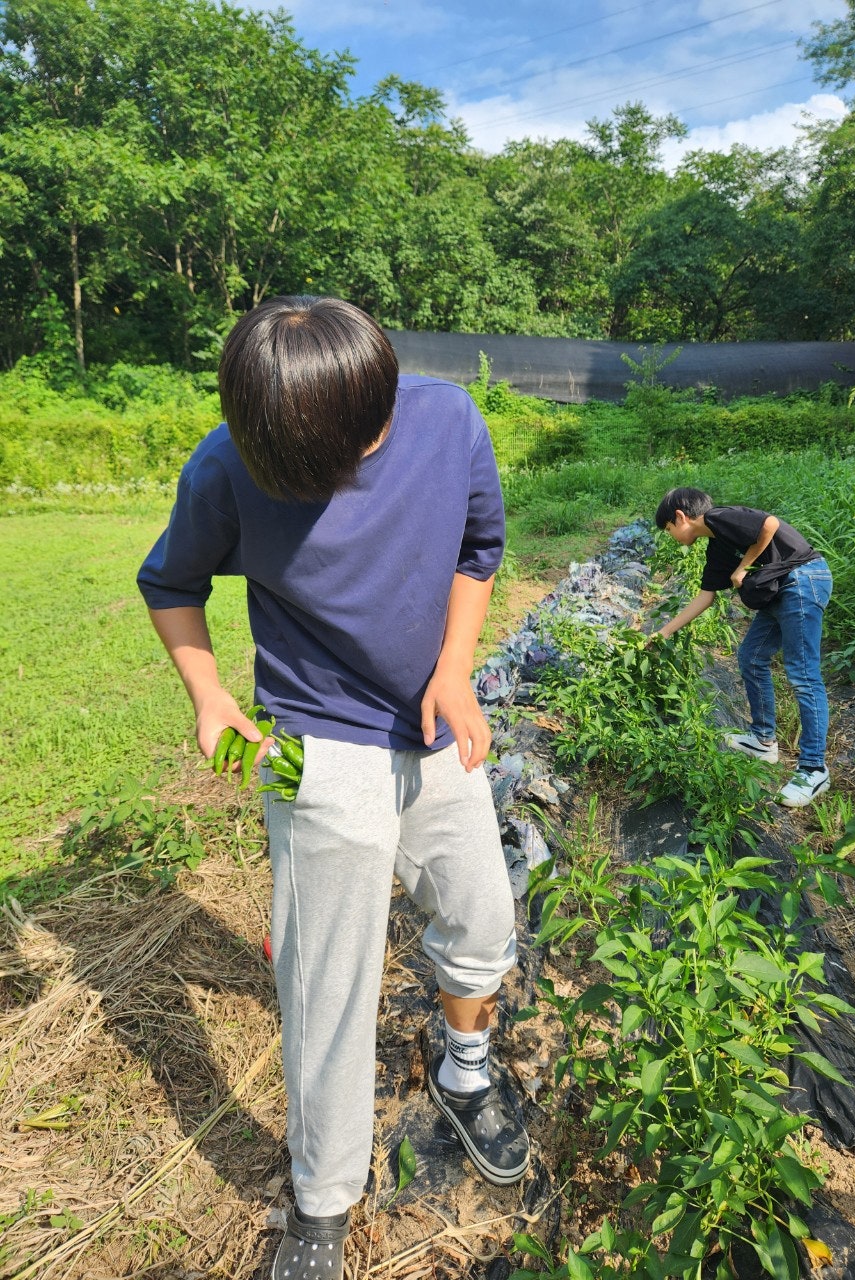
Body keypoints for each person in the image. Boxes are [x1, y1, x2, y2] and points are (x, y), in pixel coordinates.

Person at [137, 296, 529, 1280]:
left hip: (439, 726)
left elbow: (479, 551)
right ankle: (321, 1201)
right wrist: (211, 697)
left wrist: (454, 666)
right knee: (325, 983)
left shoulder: (448, 422)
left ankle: (464, 1064)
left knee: (482, 923)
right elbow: (169, 582)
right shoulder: (224, 465)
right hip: (311, 742)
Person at [652, 487, 833, 808]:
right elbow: (706, 597)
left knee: (803, 675)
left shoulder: (719, 518)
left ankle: (814, 768)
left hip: (802, 581)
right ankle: (764, 741)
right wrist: (662, 634)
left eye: (668, 530)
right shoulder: (717, 545)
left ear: (680, 518)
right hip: (782, 590)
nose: (670, 536)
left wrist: (743, 567)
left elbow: (769, 525)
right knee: (751, 656)